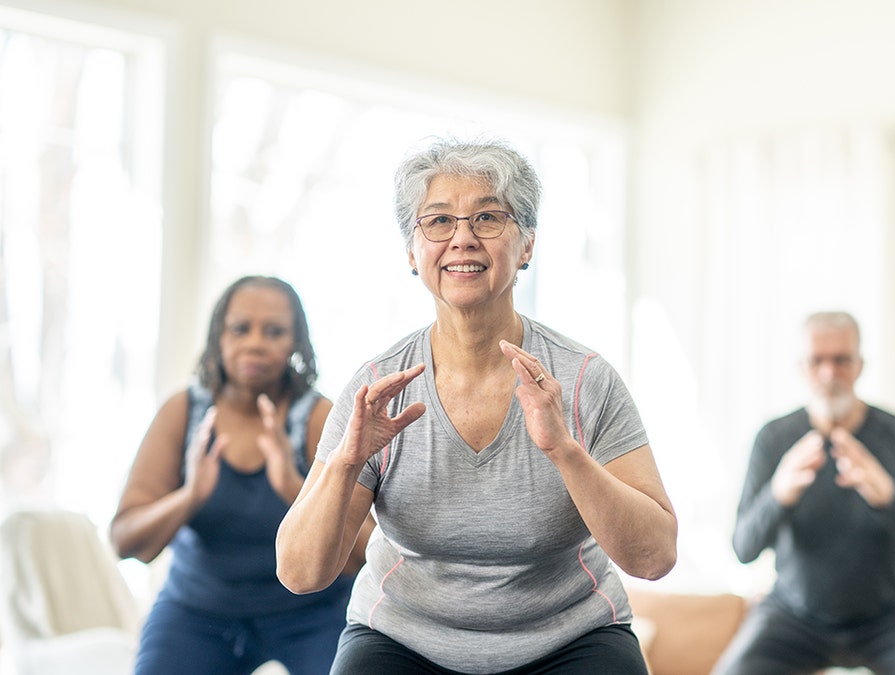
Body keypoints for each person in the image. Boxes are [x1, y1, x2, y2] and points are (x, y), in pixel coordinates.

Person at [275, 138, 677, 675]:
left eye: (488, 217)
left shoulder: (585, 381)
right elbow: (301, 573)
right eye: (438, 221)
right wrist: (347, 462)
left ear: (527, 244)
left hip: (571, 639)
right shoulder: (378, 387)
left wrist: (565, 451)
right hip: (403, 640)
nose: (463, 239)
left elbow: (654, 558)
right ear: (412, 252)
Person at [111, 275, 371, 675]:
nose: (254, 342)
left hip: (311, 614)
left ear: (295, 343)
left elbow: (369, 554)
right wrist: (191, 495)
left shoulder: (320, 417)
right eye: (240, 328)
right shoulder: (182, 413)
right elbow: (127, 542)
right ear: (219, 335)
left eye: (274, 331)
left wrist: (291, 485)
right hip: (198, 612)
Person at [714, 311, 895, 675]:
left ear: (859, 365)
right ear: (801, 366)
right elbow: (743, 548)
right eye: (817, 361)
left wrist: (888, 495)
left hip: (893, 617)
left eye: (841, 360)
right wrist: (778, 494)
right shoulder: (774, 438)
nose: (829, 373)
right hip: (794, 615)